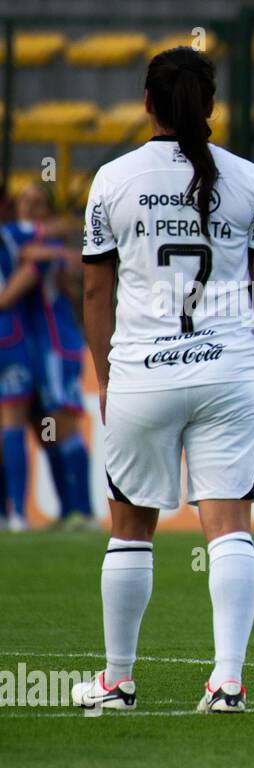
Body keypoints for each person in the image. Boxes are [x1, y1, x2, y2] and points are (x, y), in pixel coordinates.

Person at [71, 47, 254, 713]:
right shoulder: (249, 179)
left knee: (129, 527)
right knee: (229, 525)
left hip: (143, 370)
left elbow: (93, 293)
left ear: (146, 101)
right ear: (213, 106)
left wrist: (108, 374)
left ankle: (117, 680)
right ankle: (227, 680)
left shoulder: (112, 179)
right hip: (228, 369)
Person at [6, 183, 95, 528]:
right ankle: (67, 509)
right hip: (40, 348)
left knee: (64, 424)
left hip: (57, 345)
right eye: (25, 201)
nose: (29, 207)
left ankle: (84, 511)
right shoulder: (32, 246)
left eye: (37, 203)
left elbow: (34, 262)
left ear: (46, 211)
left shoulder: (42, 250)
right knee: (49, 431)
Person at [0, 214, 45, 530]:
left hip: (9, 335)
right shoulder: (10, 234)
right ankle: (17, 514)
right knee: (12, 421)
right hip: (8, 335)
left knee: (11, 423)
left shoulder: (11, 234)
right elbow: (47, 236)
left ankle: (10, 513)